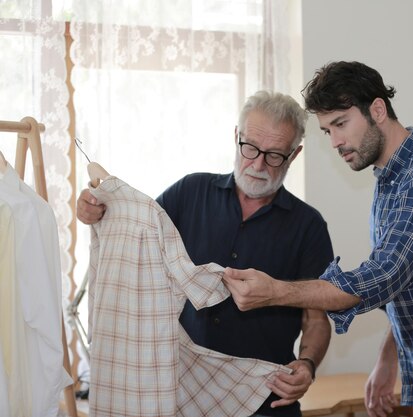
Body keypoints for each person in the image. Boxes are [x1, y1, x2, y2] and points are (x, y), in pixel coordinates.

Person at [223, 62, 413, 417]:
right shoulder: (390, 181)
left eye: (341, 124)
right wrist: (389, 359)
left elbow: (382, 275)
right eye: (327, 131)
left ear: (377, 109)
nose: (336, 142)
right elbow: (403, 281)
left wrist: (275, 292)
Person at [77, 90, 334, 417]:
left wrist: (308, 365)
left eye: (274, 155)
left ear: (294, 155)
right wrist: (100, 210)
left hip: (265, 398)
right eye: (250, 147)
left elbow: (316, 318)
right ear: (236, 136)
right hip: (186, 393)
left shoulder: (308, 226)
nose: (257, 164)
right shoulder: (189, 192)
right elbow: (138, 235)